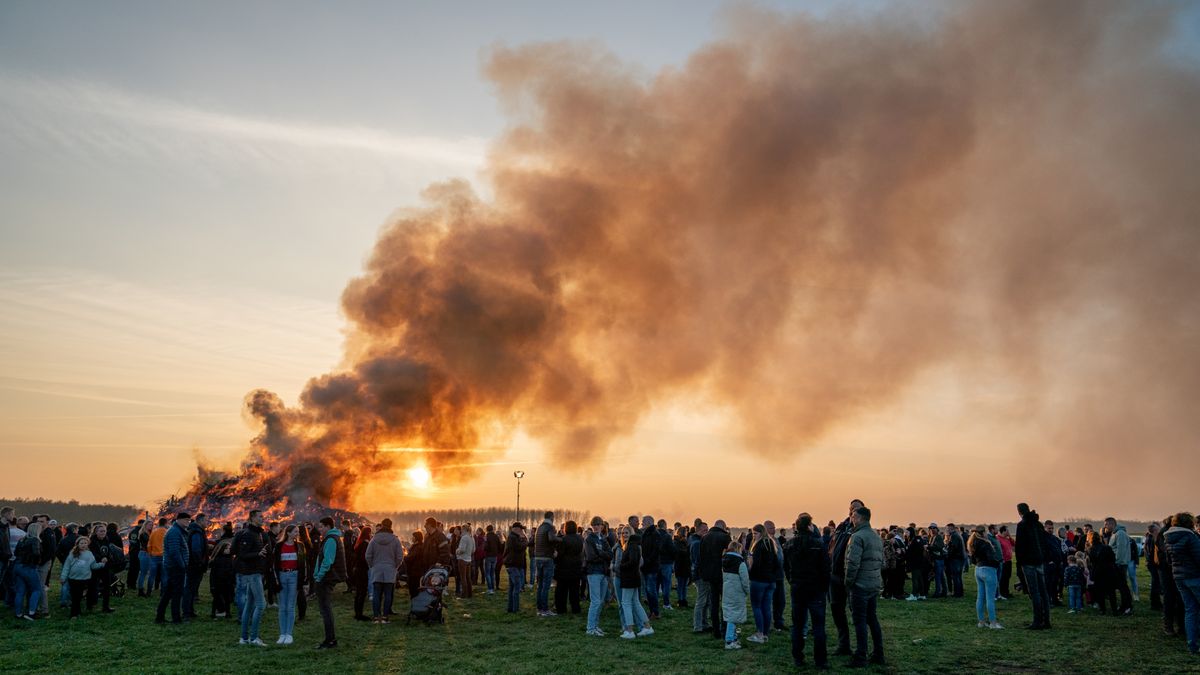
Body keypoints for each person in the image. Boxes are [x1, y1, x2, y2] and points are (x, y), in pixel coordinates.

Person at [787, 513, 831, 670]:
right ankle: (821, 660)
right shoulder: (818, 544)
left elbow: (787, 567)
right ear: (809, 526)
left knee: (797, 625)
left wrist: (792, 580)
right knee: (818, 626)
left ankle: (798, 657)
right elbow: (825, 568)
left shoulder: (790, 544)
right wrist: (824, 587)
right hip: (815, 588)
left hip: (798, 587)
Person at [845, 506, 884, 668]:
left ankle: (861, 655)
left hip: (860, 585)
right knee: (872, 619)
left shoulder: (857, 537)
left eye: (853, 516)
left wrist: (848, 583)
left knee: (859, 621)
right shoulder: (876, 536)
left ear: (860, 518)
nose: (851, 519)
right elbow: (882, 562)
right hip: (873, 584)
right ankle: (878, 653)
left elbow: (852, 563)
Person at [829, 499, 865, 655]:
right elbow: (832, 545)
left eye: (856, 509)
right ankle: (844, 644)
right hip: (835, 575)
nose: (853, 511)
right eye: (851, 508)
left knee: (857, 613)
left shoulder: (861, 529)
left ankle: (861, 649)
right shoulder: (842, 526)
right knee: (837, 610)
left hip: (851, 577)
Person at [1164, 512, 1200, 656]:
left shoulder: (1168, 537)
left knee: (1190, 610)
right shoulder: (1190, 536)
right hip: (1195, 576)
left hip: (1179, 577)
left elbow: (1169, 560)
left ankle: (1192, 645)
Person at [232, 510, 269, 646]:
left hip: (255, 572)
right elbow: (241, 554)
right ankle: (253, 638)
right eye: (260, 516)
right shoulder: (248, 534)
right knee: (261, 605)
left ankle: (244, 638)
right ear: (252, 518)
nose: (262, 518)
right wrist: (258, 554)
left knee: (249, 606)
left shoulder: (257, 533)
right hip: (252, 573)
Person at [1016, 503, 1051, 630]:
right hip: (1039, 560)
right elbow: (1044, 542)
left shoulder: (1022, 525)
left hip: (1028, 562)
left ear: (1019, 512)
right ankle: (1046, 620)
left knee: (1034, 592)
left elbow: (1019, 546)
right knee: (1043, 592)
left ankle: (1037, 621)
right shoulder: (1038, 524)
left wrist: (1020, 562)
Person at [313, 516, 347, 650]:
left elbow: (327, 561)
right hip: (325, 578)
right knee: (326, 609)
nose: (320, 529)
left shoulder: (331, 540)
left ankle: (330, 640)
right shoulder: (333, 538)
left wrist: (319, 577)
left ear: (328, 526)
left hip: (325, 579)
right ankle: (330, 639)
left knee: (325, 610)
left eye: (321, 527)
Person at [156, 512, 191, 624]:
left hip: (174, 566)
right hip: (175, 567)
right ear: (178, 520)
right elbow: (174, 552)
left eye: (189, 520)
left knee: (168, 593)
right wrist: (182, 566)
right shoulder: (175, 532)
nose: (188, 522)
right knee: (176, 593)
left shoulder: (177, 531)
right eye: (186, 519)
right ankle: (176, 619)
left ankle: (160, 617)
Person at [274, 524, 306, 643]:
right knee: (282, 607)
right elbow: (274, 564)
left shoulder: (300, 546)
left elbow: (303, 564)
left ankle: (289, 634)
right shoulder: (279, 546)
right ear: (288, 533)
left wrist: (303, 580)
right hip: (282, 575)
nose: (297, 534)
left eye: (298, 532)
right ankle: (282, 634)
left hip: (294, 576)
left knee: (291, 606)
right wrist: (276, 581)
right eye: (295, 531)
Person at [699, 519, 732, 639]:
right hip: (723, 573)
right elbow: (729, 556)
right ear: (723, 526)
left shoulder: (705, 537)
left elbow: (701, 557)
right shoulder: (725, 537)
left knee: (714, 603)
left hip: (709, 574)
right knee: (725, 602)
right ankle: (724, 628)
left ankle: (715, 630)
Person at [747, 523, 779, 644]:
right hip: (770, 581)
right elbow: (777, 563)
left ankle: (760, 633)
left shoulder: (758, 545)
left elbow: (756, 564)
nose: (753, 536)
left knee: (757, 606)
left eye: (755, 533)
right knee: (766, 607)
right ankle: (765, 633)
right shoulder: (771, 544)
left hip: (758, 580)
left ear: (761, 533)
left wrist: (750, 569)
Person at [366, 518, 402, 623]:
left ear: (381, 526)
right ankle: (385, 617)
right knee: (388, 594)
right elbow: (400, 556)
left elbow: (368, 555)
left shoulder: (374, 539)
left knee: (376, 594)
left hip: (376, 569)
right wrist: (395, 566)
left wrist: (372, 566)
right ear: (391, 526)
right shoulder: (395, 540)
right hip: (390, 569)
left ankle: (376, 617)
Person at [60, 535, 104, 619]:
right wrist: (63, 577)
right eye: (81, 543)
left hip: (84, 579)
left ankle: (78, 611)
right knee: (75, 596)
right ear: (77, 544)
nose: (83, 545)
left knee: (79, 596)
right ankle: (74, 614)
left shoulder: (89, 554)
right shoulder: (73, 553)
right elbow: (67, 566)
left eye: (85, 543)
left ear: (88, 544)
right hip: (73, 578)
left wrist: (102, 564)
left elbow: (93, 565)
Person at [968, 524, 1002, 629]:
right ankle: (993, 623)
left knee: (980, 597)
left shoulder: (972, 543)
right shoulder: (986, 543)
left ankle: (981, 622)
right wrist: (998, 563)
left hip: (978, 569)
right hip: (989, 570)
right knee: (990, 598)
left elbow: (973, 559)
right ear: (983, 533)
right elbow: (991, 558)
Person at [583, 516, 613, 636]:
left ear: (602, 526)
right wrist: (603, 556)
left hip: (603, 573)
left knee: (600, 602)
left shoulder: (603, 539)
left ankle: (595, 626)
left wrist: (600, 553)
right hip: (593, 572)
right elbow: (591, 557)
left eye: (598, 524)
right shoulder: (589, 539)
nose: (596, 527)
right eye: (594, 525)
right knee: (595, 601)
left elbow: (610, 554)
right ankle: (590, 628)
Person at [720, 540, 750, 650]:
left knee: (730, 614)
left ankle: (733, 636)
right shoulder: (740, 563)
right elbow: (745, 580)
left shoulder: (724, 560)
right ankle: (729, 640)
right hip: (737, 592)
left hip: (727, 590)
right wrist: (747, 591)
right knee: (733, 617)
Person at [11, 522, 43, 621]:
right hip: (28, 567)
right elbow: (36, 554)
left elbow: (15, 553)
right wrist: (35, 563)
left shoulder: (21, 540)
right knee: (37, 589)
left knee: (20, 591)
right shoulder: (35, 540)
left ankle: (18, 613)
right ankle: (31, 613)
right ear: (37, 530)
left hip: (17, 566)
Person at [1104, 517, 1134, 615]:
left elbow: (1120, 550)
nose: (1105, 526)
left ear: (1112, 524)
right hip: (1117, 564)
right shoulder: (1115, 533)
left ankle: (1127, 606)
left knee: (1123, 587)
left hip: (1120, 564)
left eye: (1106, 524)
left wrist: (1116, 563)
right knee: (1121, 586)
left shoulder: (1120, 534)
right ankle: (1124, 606)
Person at [533, 511, 560, 617]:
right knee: (546, 585)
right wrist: (561, 539)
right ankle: (545, 609)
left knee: (540, 585)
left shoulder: (539, 527)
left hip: (538, 557)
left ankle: (539, 609)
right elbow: (551, 538)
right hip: (547, 558)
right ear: (552, 517)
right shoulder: (550, 527)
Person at [183, 512, 208, 620]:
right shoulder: (197, 532)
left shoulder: (195, 530)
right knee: (190, 589)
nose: (207, 523)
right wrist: (200, 563)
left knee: (192, 589)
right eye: (206, 520)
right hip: (194, 566)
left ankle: (190, 610)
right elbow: (196, 549)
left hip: (193, 564)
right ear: (200, 521)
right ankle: (186, 613)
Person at [1086, 530, 1119, 615]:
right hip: (1109, 571)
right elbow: (1113, 559)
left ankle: (1102, 609)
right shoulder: (1107, 548)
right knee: (1111, 592)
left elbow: (1091, 562)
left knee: (1100, 592)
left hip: (1098, 572)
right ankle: (1114, 610)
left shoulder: (1090, 549)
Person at [554, 520, 583, 615]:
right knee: (575, 591)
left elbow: (560, 554)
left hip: (563, 568)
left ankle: (561, 609)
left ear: (566, 528)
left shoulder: (563, 540)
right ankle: (576, 609)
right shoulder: (580, 539)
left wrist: (555, 559)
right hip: (576, 567)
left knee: (561, 591)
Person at [209, 523, 236, 618]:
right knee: (217, 595)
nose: (228, 550)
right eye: (226, 548)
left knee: (226, 595)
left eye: (229, 548)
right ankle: (216, 612)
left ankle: (226, 612)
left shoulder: (230, 559)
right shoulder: (218, 559)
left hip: (227, 578)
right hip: (218, 578)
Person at [502, 522, 527, 613]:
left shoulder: (514, 537)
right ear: (516, 529)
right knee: (517, 586)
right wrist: (525, 540)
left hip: (513, 564)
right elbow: (519, 547)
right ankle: (515, 609)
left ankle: (510, 608)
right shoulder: (512, 537)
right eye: (521, 529)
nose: (522, 531)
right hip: (512, 565)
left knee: (512, 587)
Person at [351, 524, 373, 620]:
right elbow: (364, 558)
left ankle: (357, 613)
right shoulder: (365, 544)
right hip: (362, 570)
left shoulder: (359, 543)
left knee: (358, 591)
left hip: (357, 569)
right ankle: (359, 614)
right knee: (362, 592)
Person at [146, 517, 168, 594]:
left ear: (159, 523)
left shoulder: (154, 532)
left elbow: (149, 545)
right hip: (164, 557)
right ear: (165, 523)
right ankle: (163, 593)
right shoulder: (167, 532)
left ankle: (148, 592)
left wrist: (150, 553)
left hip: (154, 556)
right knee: (164, 576)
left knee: (152, 575)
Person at [945, 523, 966, 598]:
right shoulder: (957, 535)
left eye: (947, 529)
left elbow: (954, 548)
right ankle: (960, 592)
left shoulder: (954, 536)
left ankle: (957, 593)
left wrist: (947, 554)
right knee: (958, 576)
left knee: (956, 576)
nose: (947, 530)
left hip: (956, 559)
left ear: (951, 528)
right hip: (959, 558)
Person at [455, 522, 475, 599]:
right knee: (468, 578)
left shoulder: (464, 538)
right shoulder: (471, 537)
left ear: (464, 529)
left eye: (461, 529)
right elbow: (474, 550)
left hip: (462, 559)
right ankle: (470, 594)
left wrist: (457, 551)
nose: (461, 531)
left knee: (463, 578)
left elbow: (462, 549)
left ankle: (464, 595)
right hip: (469, 559)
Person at [673, 525, 692, 609]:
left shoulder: (682, 542)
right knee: (681, 584)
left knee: (683, 584)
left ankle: (683, 599)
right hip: (681, 565)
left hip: (684, 565)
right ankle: (681, 600)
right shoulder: (677, 542)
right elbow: (680, 552)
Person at [404, 530, 426, 599]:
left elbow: (411, 557)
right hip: (415, 571)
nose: (412, 538)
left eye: (413, 537)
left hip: (415, 571)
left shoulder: (418, 547)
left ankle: (415, 601)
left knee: (414, 588)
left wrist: (404, 557)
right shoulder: (418, 546)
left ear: (416, 538)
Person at [997, 525, 1015, 600]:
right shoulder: (998, 538)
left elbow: (1014, 544)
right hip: (1003, 561)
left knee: (1008, 576)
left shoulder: (1007, 539)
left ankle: (1006, 592)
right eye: (1007, 531)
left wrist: (1010, 536)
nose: (1008, 532)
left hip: (1008, 561)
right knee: (1003, 578)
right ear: (1003, 531)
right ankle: (1002, 592)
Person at [483, 524, 502, 594]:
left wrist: (485, 542)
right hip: (495, 556)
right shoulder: (496, 536)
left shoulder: (487, 537)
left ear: (487, 530)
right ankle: (492, 588)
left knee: (487, 573)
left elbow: (486, 547)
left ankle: (490, 588)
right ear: (492, 529)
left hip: (488, 556)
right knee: (492, 573)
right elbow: (500, 546)